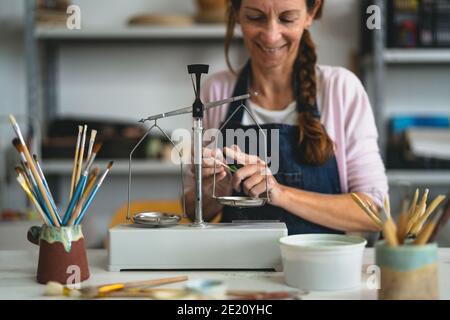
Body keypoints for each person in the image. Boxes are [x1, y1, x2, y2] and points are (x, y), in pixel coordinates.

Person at [185, 0, 388, 235]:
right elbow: (192, 209)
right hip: (237, 268)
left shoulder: (341, 89)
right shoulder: (216, 92)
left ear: (310, 13)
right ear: (237, 14)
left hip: (318, 267)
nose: (271, 36)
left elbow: (376, 213)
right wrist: (218, 188)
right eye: (255, 17)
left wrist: (280, 194)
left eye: (287, 18)